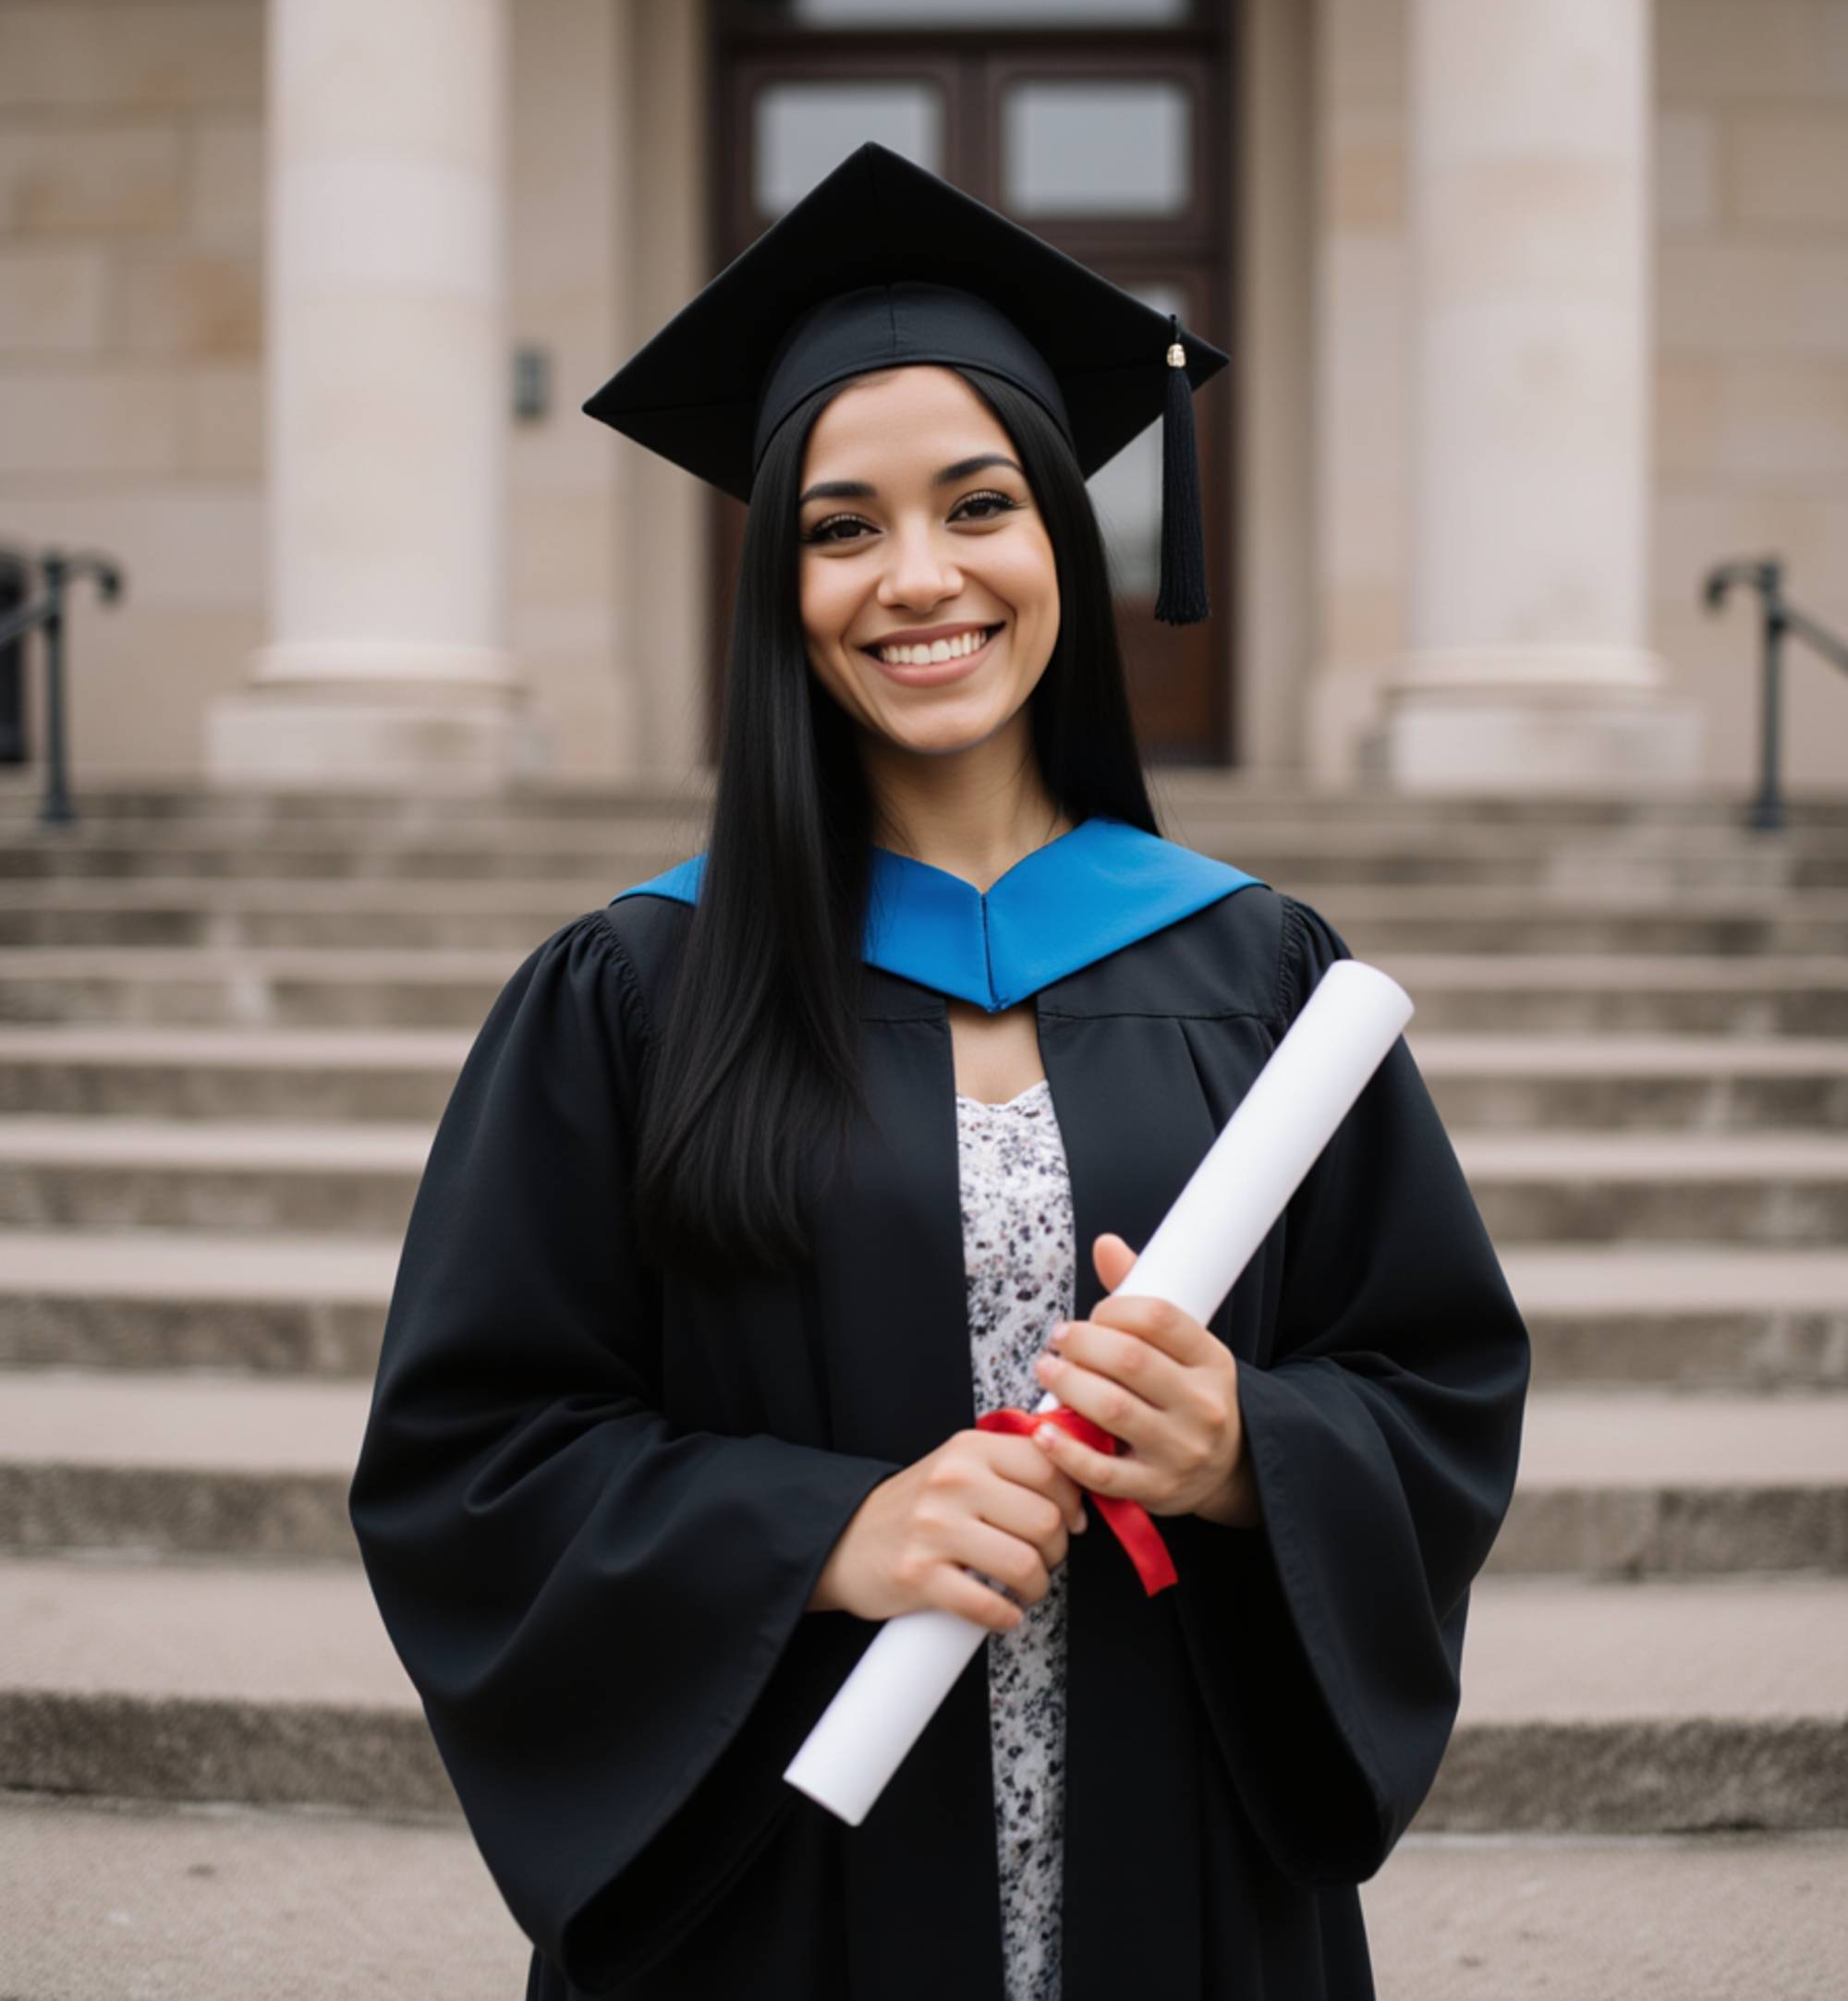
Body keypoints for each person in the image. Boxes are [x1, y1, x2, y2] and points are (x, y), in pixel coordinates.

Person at [347, 141, 1531, 2001]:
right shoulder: (635, 988)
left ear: (1064, 530)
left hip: (1187, 1871)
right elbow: (472, 1460)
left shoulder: (1260, 971)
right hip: (783, 1892)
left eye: (977, 504)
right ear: (779, 583)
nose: (918, 578)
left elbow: (1434, 1378)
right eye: (839, 526)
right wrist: (820, 1529)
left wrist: (1247, 1453)